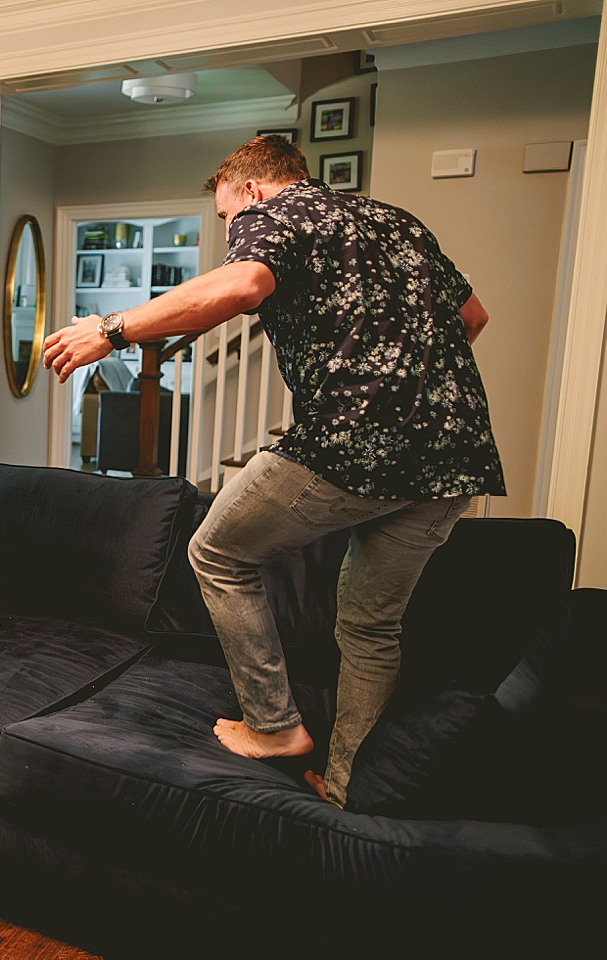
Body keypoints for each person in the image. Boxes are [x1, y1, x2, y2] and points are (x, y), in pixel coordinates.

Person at [42, 135, 504, 808]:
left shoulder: (275, 212)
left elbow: (245, 282)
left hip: (351, 443)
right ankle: (350, 792)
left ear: (252, 190)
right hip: (454, 454)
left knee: (217, 552)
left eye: (226, 218)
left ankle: (274, 725)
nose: (232, 232)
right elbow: (473, 317)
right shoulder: (396, 221)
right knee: (372, 627)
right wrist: (405, 382)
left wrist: (112, 331)